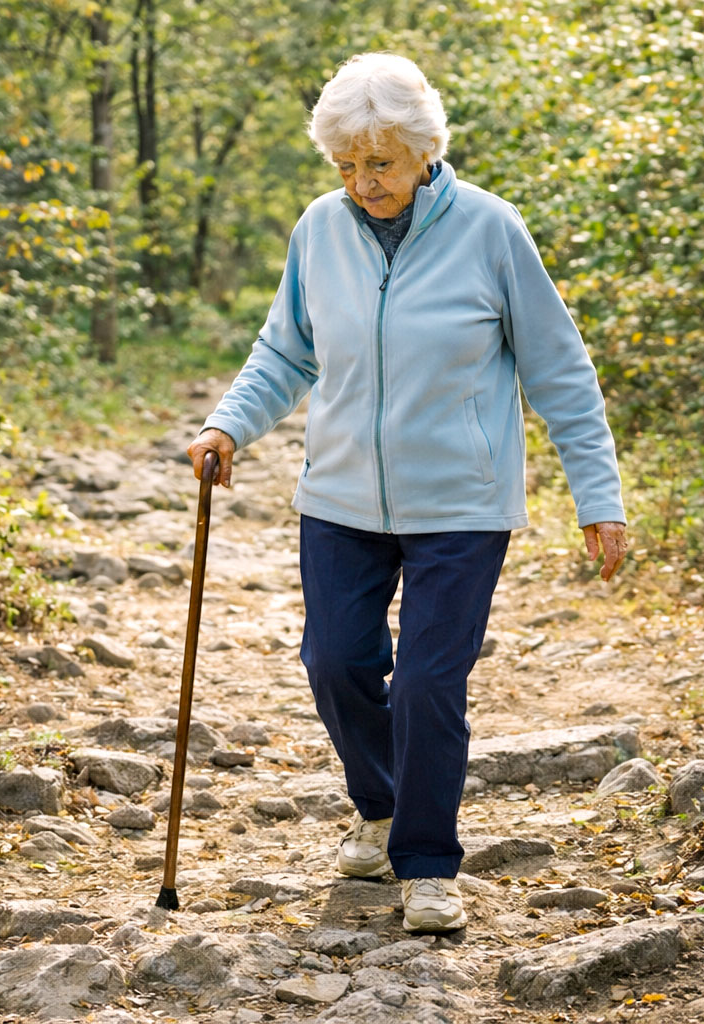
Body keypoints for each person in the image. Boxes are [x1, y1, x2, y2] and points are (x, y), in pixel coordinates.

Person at [188, 52, 627, 933]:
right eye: (346, 165)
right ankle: (381, 806)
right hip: (341, 498)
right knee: (334, 661)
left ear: (426, 149)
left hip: (462, 505)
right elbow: (285, 351)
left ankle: (427, 862)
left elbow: (560, 370)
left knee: (429, 681)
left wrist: (598, 494)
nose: (362, 183)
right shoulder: (320, 229)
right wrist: (228, 424)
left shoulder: (491, 230)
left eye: (380, 163)